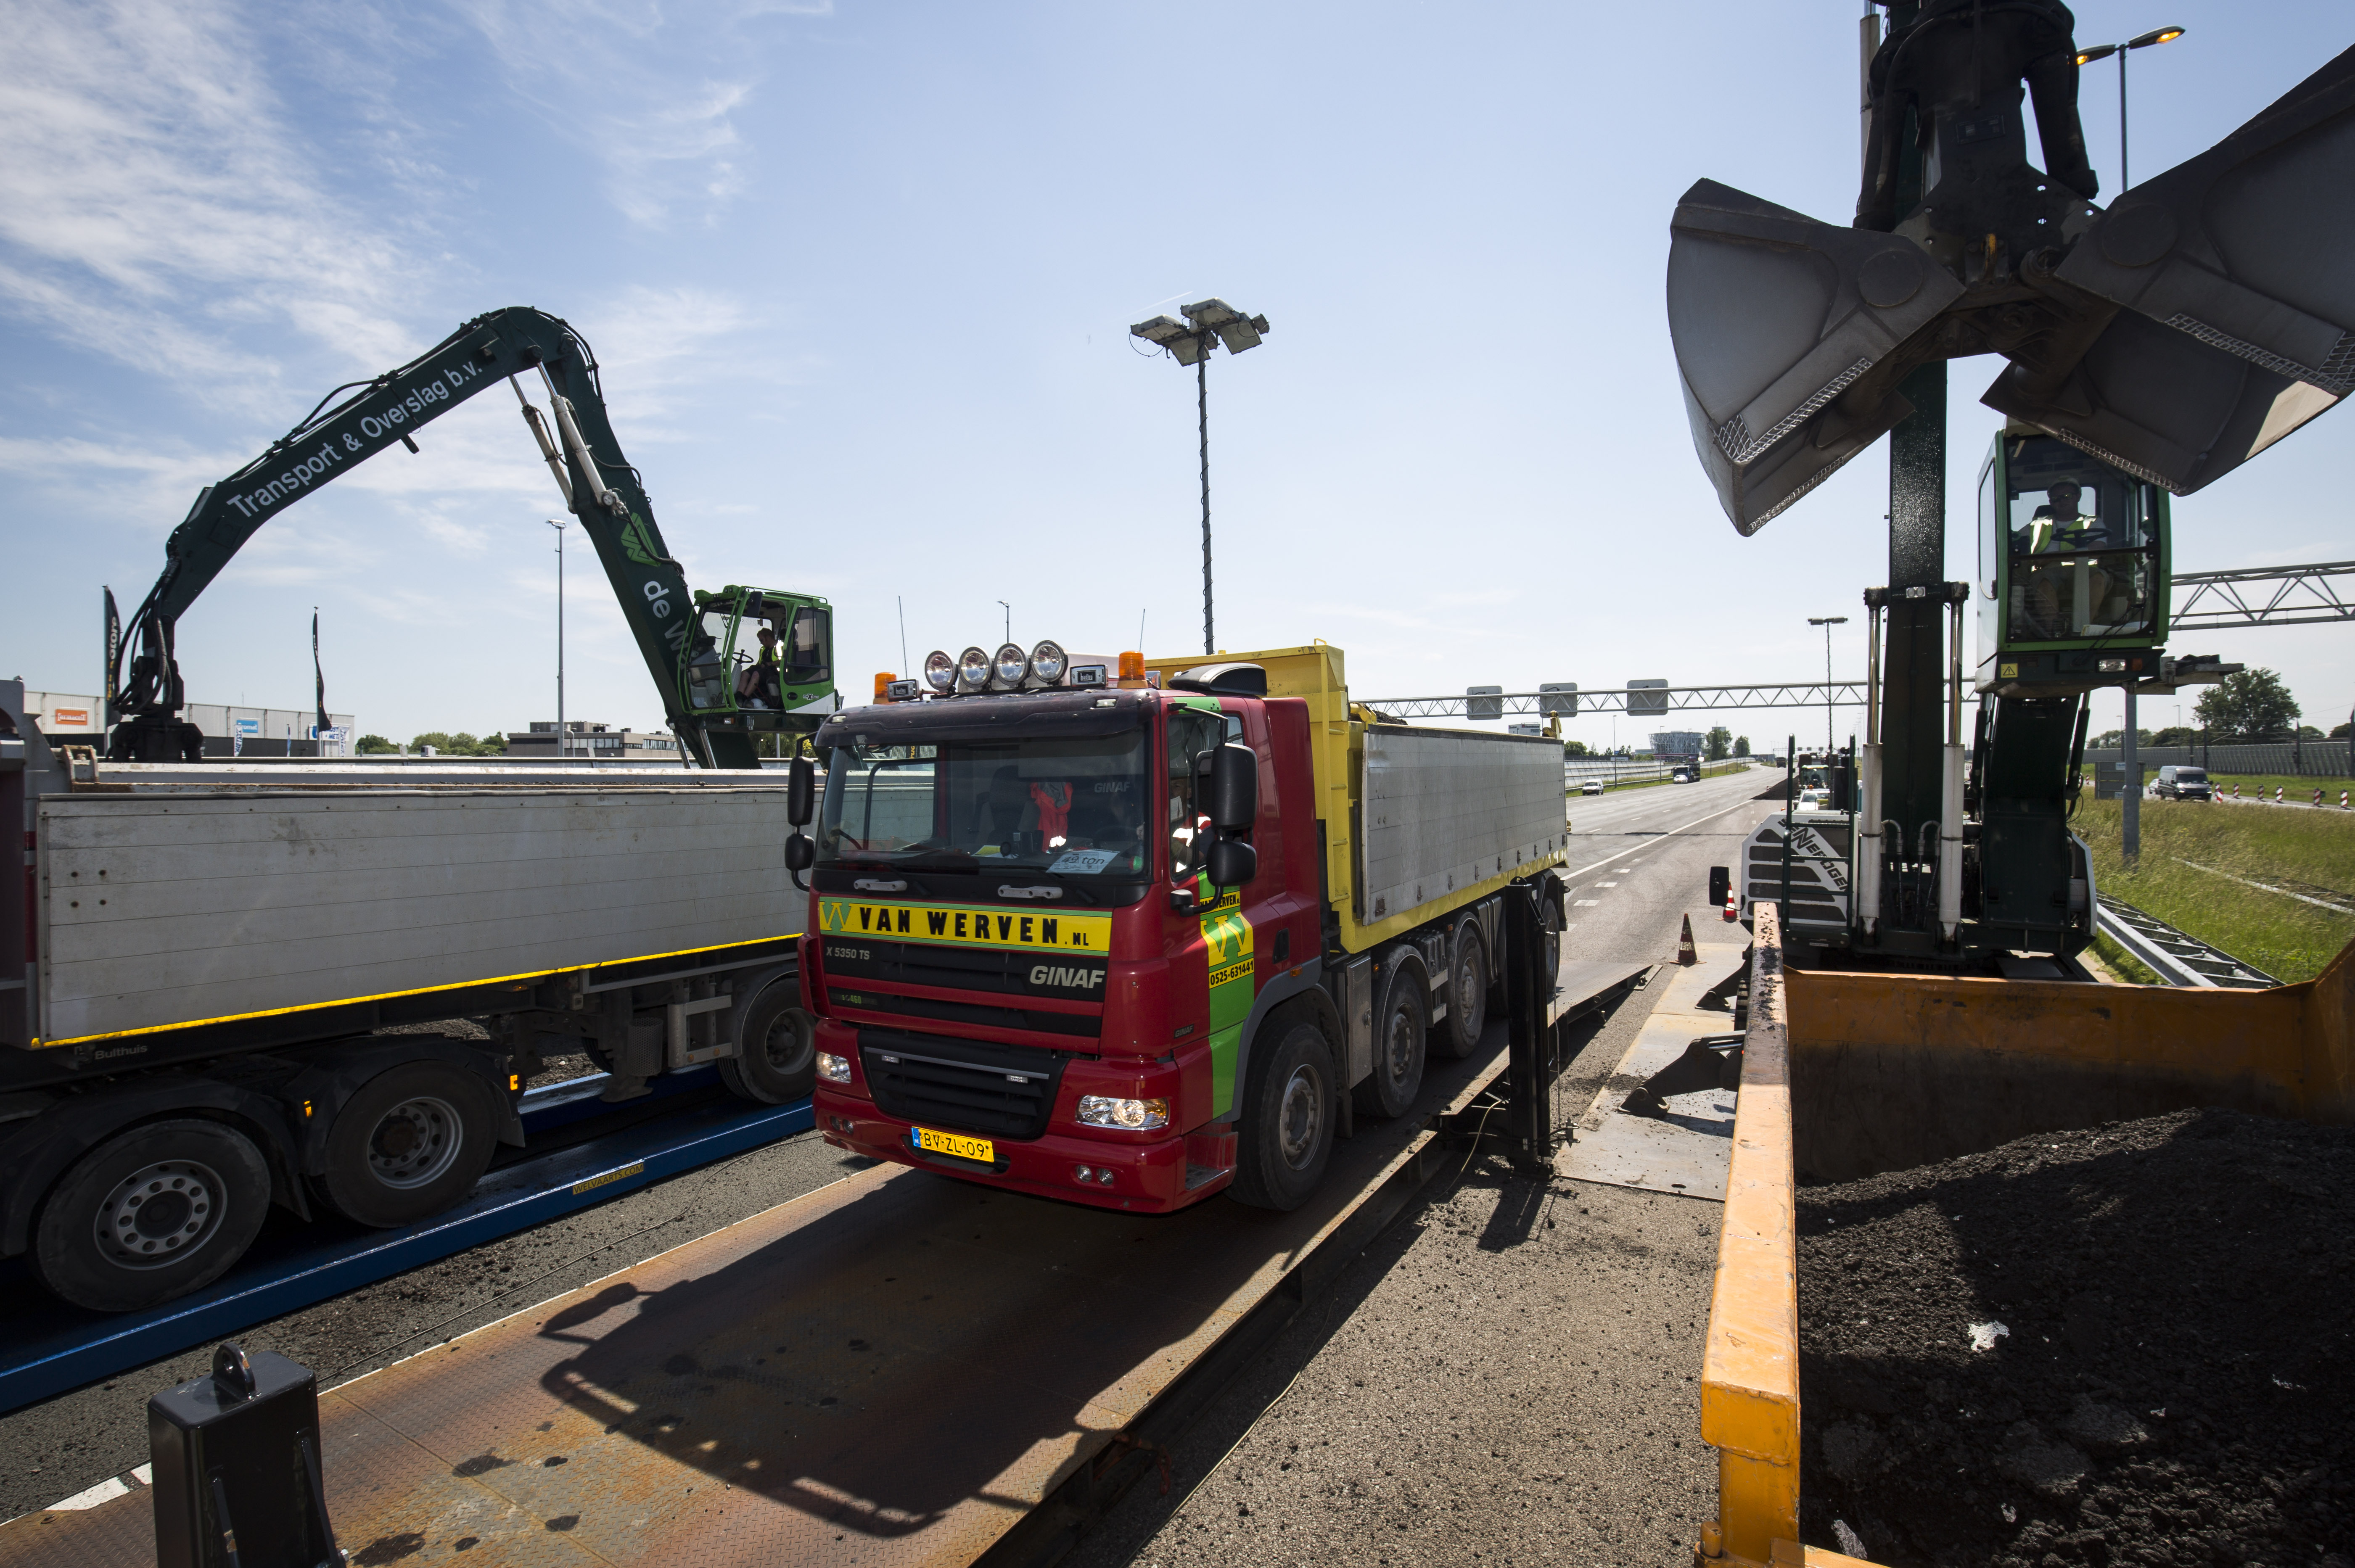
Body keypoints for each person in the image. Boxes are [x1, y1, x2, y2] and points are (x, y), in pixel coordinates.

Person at [735, 625, 782, 706]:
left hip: (773, 673)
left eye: (762, 640)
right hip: (762, 669)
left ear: (768, 638)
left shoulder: (779, 647)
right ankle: (739, 696)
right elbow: (759, 663)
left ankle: (744, 698)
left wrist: (770, 664)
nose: (761, 643)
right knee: (746, 673)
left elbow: (782, 662)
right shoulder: (763, 649)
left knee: (756, 674)